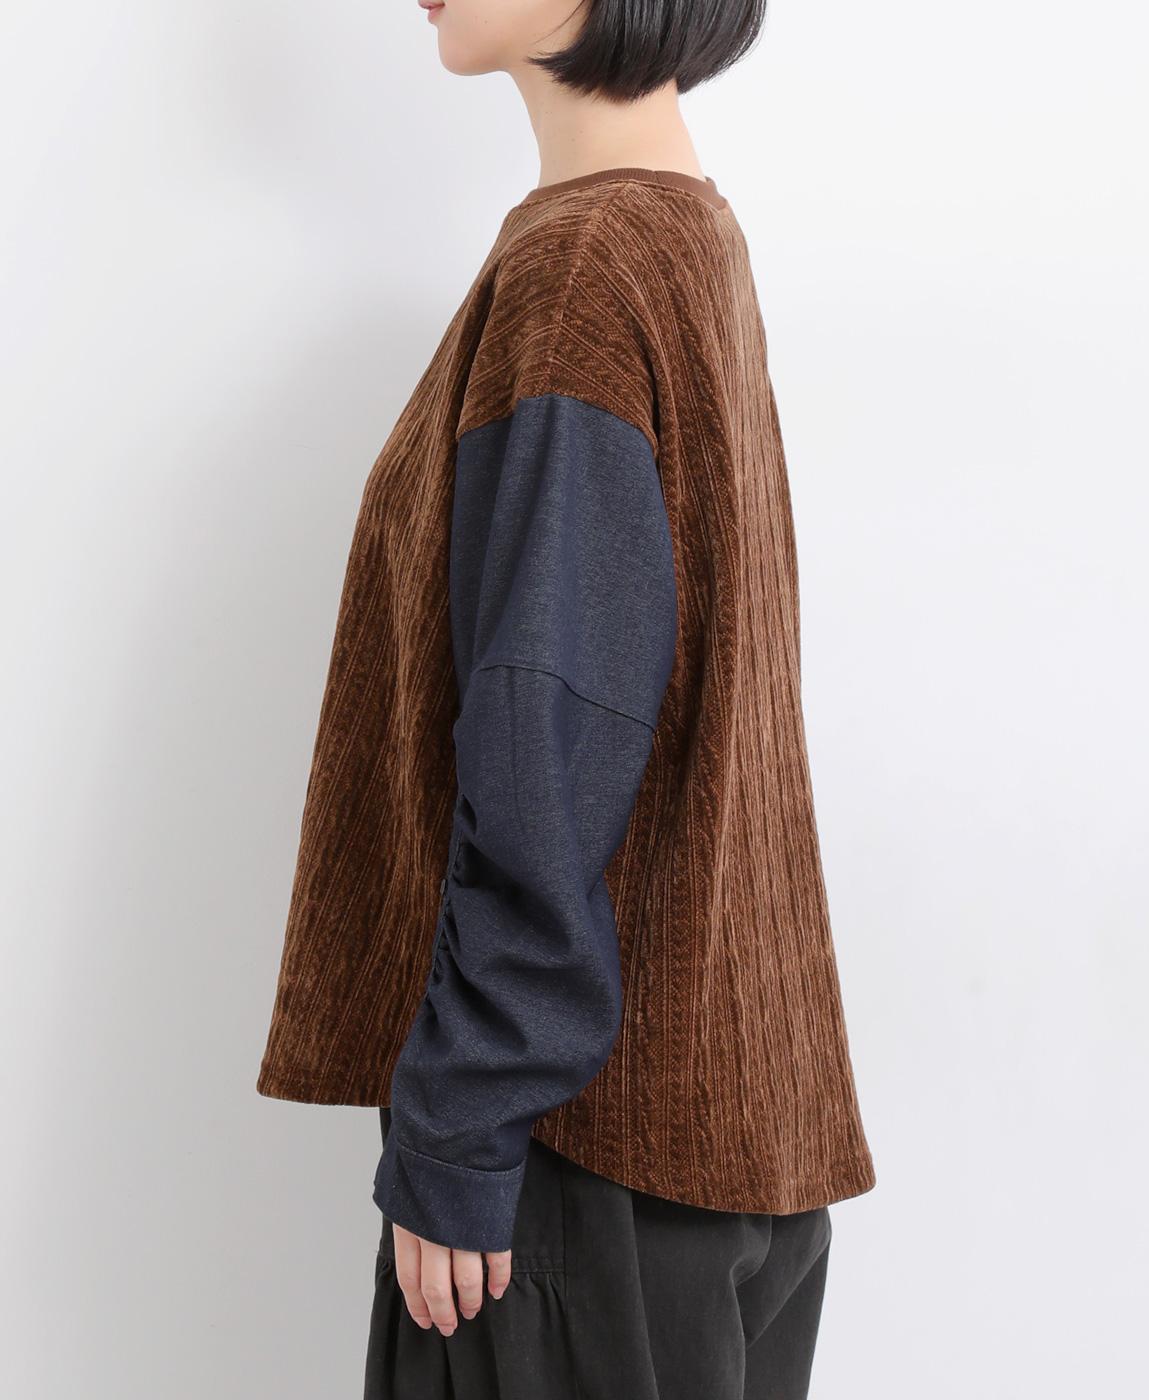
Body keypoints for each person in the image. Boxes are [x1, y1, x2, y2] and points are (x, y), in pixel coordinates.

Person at [255, 3, 876, 1396]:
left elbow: (553, 721)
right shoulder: (687, 233)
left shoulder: (583, 271)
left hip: (578, 1168)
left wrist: (463, 1122)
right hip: (719, 1146)